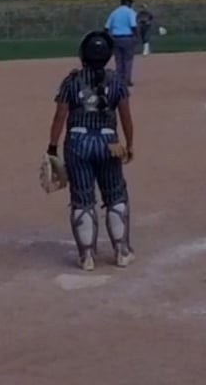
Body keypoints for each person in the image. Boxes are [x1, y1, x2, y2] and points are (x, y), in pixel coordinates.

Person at [46, 31, 135, 271]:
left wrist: (52, 147)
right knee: (115, 195)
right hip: (109, 143)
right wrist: (130, 144)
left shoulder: (71, 81)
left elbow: (59, 117)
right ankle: (121, 251)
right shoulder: (117, 81)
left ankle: (87, 256)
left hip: (77, 143)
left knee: (82, 198)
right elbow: (126, 117)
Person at [104, 0, 139, 87]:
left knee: (118, 60)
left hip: (115, 38)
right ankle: (127, 80)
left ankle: (119, 80)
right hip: (127, 38)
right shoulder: (130, 12)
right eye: (130, 3)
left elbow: (106, 27)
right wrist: (137, 36)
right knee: (128, 60)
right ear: (128, 3)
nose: (131, 5)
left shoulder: (114, 12)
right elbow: (133, 25)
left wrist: (107, 38)